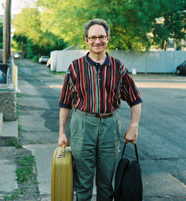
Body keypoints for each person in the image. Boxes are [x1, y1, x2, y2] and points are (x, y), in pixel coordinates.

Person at [58, 18, 142, 201]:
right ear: (86, 40)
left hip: (110, 125)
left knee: (106, 182)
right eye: (93, 37)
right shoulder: (75, 67)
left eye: (101, 37)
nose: (98, 41)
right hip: (82, 124)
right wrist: (62, 132)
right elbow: (65, 103)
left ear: (108, 38)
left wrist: (133, 125)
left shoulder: (118, 67)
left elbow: (135, 99)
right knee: (82, 182)